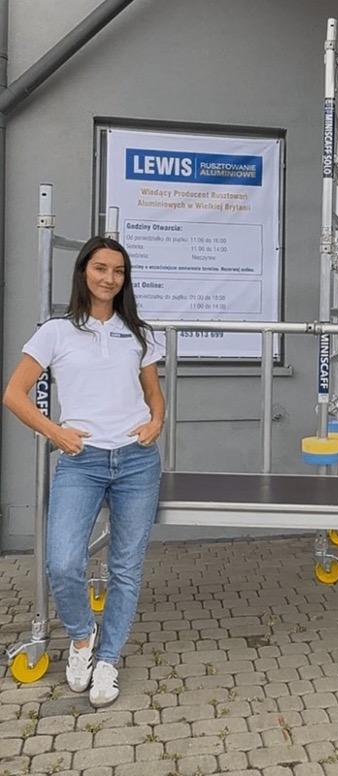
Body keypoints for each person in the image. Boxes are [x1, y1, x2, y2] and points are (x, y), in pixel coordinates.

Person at [4, 236, 164, 708]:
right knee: (63, 562)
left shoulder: (138, 332)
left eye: (118, 271)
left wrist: (156, 422)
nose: (109, 278)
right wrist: (55, 433)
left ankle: (108, 660)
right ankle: (81, 637)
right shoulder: (56, 332)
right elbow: (13, 394)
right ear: (83, 272)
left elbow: (153, 394)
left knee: (125, 568)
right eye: (100, 268)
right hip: (82, 461)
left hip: (136, 461)